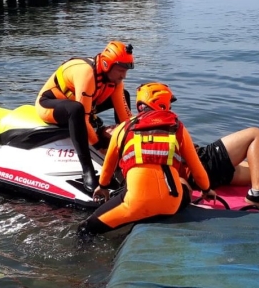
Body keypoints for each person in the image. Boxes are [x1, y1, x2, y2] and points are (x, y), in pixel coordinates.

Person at [79, 82, 213, 235]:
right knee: (184, 189)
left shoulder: (123, 127)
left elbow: (108, 167)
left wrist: (102, 187)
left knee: (86, 228)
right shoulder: (178, 127)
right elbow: (197, 169)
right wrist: (207, 190)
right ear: (164, 104)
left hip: (136, 204)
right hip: (171, 205)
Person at [36, 41, 134, 192]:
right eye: (121, 70)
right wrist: (99, 146)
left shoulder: (115, 80)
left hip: (83, 105)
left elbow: (125, 118)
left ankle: (123, 154)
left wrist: (134, 141)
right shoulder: (87, 73)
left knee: (124, 95)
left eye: (126, 70)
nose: (124, 75)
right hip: (49, 105)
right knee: (76, 109)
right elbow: (83, 118)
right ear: (107, 65)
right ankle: (87, 169)